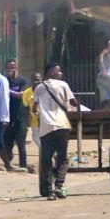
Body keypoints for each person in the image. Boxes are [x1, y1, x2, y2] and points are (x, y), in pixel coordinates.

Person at [33, 62, 78, 199]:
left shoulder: (39, 87)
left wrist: (39, 113)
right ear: (52, 72)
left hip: (46, 128)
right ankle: (59, 186)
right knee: (63, 158)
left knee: (46, 161)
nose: (61, 74)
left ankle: (50, 192)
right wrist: (78, 105)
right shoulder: (63, 85)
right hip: (61, 125)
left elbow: (34, 107)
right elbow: (73, 103)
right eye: (58, 71)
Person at [2, 59, 31, 169]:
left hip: (21, 117)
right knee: (7, 142)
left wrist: (7, 91)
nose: (11, 70)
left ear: (17, 68)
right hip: (8, 117)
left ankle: (23, 166)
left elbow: (21, 95)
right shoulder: (4, 81)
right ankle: (8, 163)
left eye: (13, 68)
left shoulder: (23, 81)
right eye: (9, 68)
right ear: (5, 69)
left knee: (21, 144)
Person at [22, 72, 43, 150]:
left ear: (41, 80)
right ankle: (51, 153)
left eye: (37, 80)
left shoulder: (46, 91)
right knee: (35, 137)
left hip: (46, 120)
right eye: (34, 80)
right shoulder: (26, 93)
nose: (35, 82)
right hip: (34, 121)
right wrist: (27, 122)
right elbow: (26, 108)